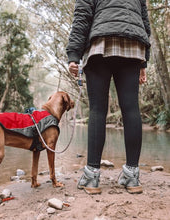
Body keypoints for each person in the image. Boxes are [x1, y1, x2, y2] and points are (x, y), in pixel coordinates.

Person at [66, 0, 150, 194]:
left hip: (100, 44)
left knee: (97, 109)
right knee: (131, 109)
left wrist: (74, 54)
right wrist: (144, 61)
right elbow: (145, 22)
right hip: (134, 45)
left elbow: (82, 16)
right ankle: (132, 176)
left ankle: (92, 177)